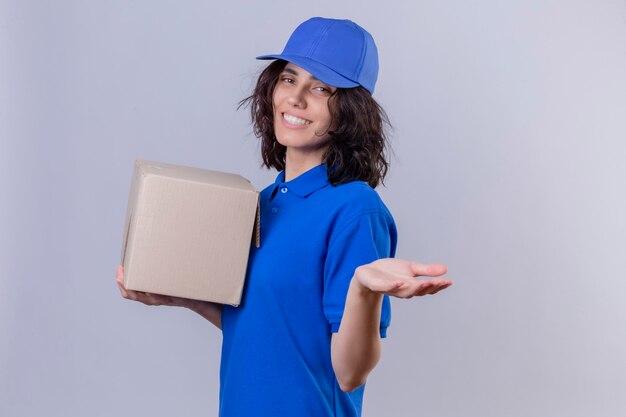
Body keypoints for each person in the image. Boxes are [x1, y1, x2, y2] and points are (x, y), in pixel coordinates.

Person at [116, 17, 453, 417]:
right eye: (289, 78)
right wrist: (182, 298)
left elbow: (350, 373)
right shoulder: (264, 201)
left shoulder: (354, 210)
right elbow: (270, 325)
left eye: (321, 88)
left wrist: (363, 290)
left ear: (349, 110)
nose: (295, 98)